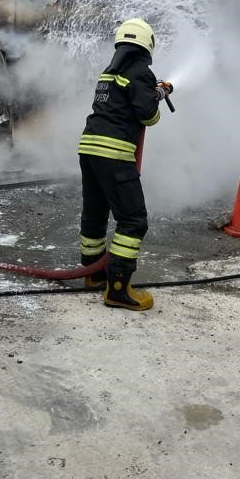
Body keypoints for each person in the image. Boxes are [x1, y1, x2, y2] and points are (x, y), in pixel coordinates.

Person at [77, 17, 173, 311]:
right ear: (147, 44)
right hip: (115, 153)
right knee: (133, 220)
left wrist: (152, 92)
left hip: (89, 148)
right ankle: (117, 288)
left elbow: (121, 103)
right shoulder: (141, 72)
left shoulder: (108, 73)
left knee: (95, 214)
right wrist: (158, 95)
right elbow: (148, 116)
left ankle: (93, 273)